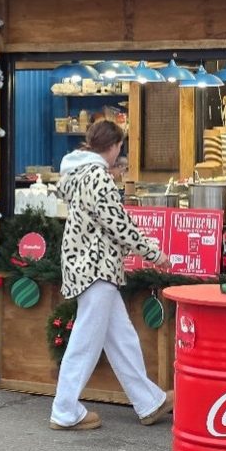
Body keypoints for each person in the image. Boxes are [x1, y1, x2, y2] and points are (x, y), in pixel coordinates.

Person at [50, 121, 174, 431]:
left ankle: (149, 401)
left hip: (87, 267)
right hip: (97, 267)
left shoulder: (79, 174)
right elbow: (120, 226)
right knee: (85, 341)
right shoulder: (98, 177)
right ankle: (64, 410)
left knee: (122, 339)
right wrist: (154, 253)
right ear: (115, 146)